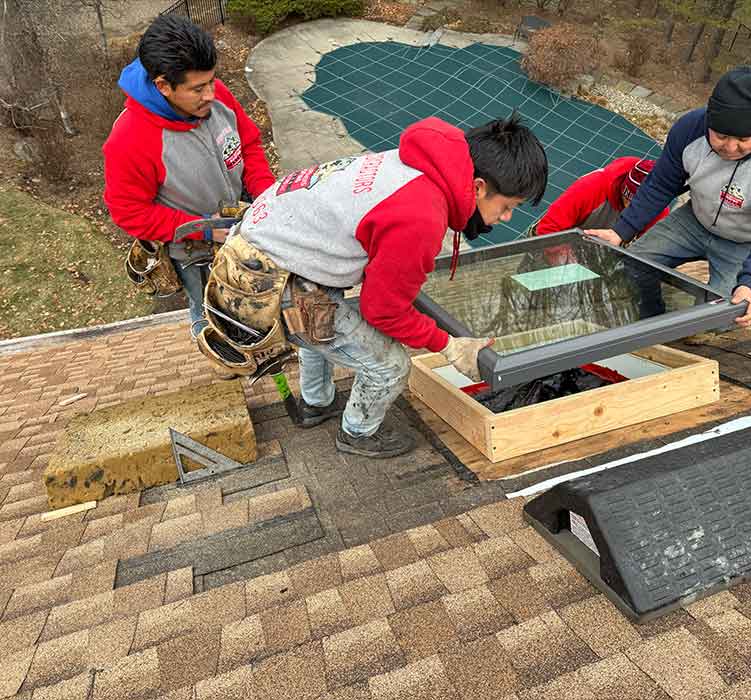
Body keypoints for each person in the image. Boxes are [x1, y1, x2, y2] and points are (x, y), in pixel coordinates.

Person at [200, 114, 549, 459]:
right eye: (508, 207)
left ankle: (315, 403)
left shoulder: (420, 164)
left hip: (268, 253)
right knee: (390, 365)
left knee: (319, 323)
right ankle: (358, 432)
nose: (506, 218)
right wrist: (449, 345)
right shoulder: (421, 214)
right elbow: (382, 309)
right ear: (478, 187)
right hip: (266, 283)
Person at [586, 65, 751, 328]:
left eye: (742, 139)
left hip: (746, 241)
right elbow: (661, 184)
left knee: (720, 316)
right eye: (721, 135)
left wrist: (750, 283)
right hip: (694, 220)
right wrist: (620, 231)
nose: (730, 147)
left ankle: (699, 322)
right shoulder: (689, 128)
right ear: (709, 121)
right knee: (631, 267)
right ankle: (650, 322)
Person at [103, 14, 276, 340]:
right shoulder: (130, 140)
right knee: (209, 310)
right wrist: (203, 230)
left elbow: (249, 142)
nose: (211, 93)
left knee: (255, 303)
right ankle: (218, 351)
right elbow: (129, 213)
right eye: (197, 88)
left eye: (212, 81)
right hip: (197, 253)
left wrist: (264, 195)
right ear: (163, 85)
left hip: (243, 221)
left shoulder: (216, 95)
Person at [534, 156, 668, 237]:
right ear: (623, 188)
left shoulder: (658, 208)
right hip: (565, 239)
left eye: (640, 206)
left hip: (608, 251)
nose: (630, 209)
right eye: (628, 200)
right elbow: (547, 228)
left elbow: (648, 255)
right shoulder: (592, 186)